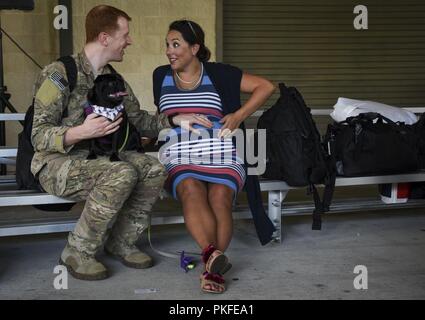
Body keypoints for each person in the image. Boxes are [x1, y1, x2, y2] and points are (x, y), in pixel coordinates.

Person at [31, 5, 171, 281]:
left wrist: (176, 120)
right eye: (125, 35)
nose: (129, 41)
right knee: (121, 172)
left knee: (153, 169)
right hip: (56, 162)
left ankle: (121, 241)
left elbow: (140, 120)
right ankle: (77, 250)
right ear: (105, 38)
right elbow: (38, 134)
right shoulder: (58, 75)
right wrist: (81, 132)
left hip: (100, 157)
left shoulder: (113, 77)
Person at [153, 20, 276, 293]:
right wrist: (175, 117)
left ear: (195, 47)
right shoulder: (160, 75)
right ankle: (212, 258)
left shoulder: (219, 73)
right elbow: (159, 119)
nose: (169, 51)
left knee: (220, 197)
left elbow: (266, 86)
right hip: (179, 149)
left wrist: (238, 115)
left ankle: (212, 267)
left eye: (176, 44)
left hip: (220, 148)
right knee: (189, 187)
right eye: (167, 44)